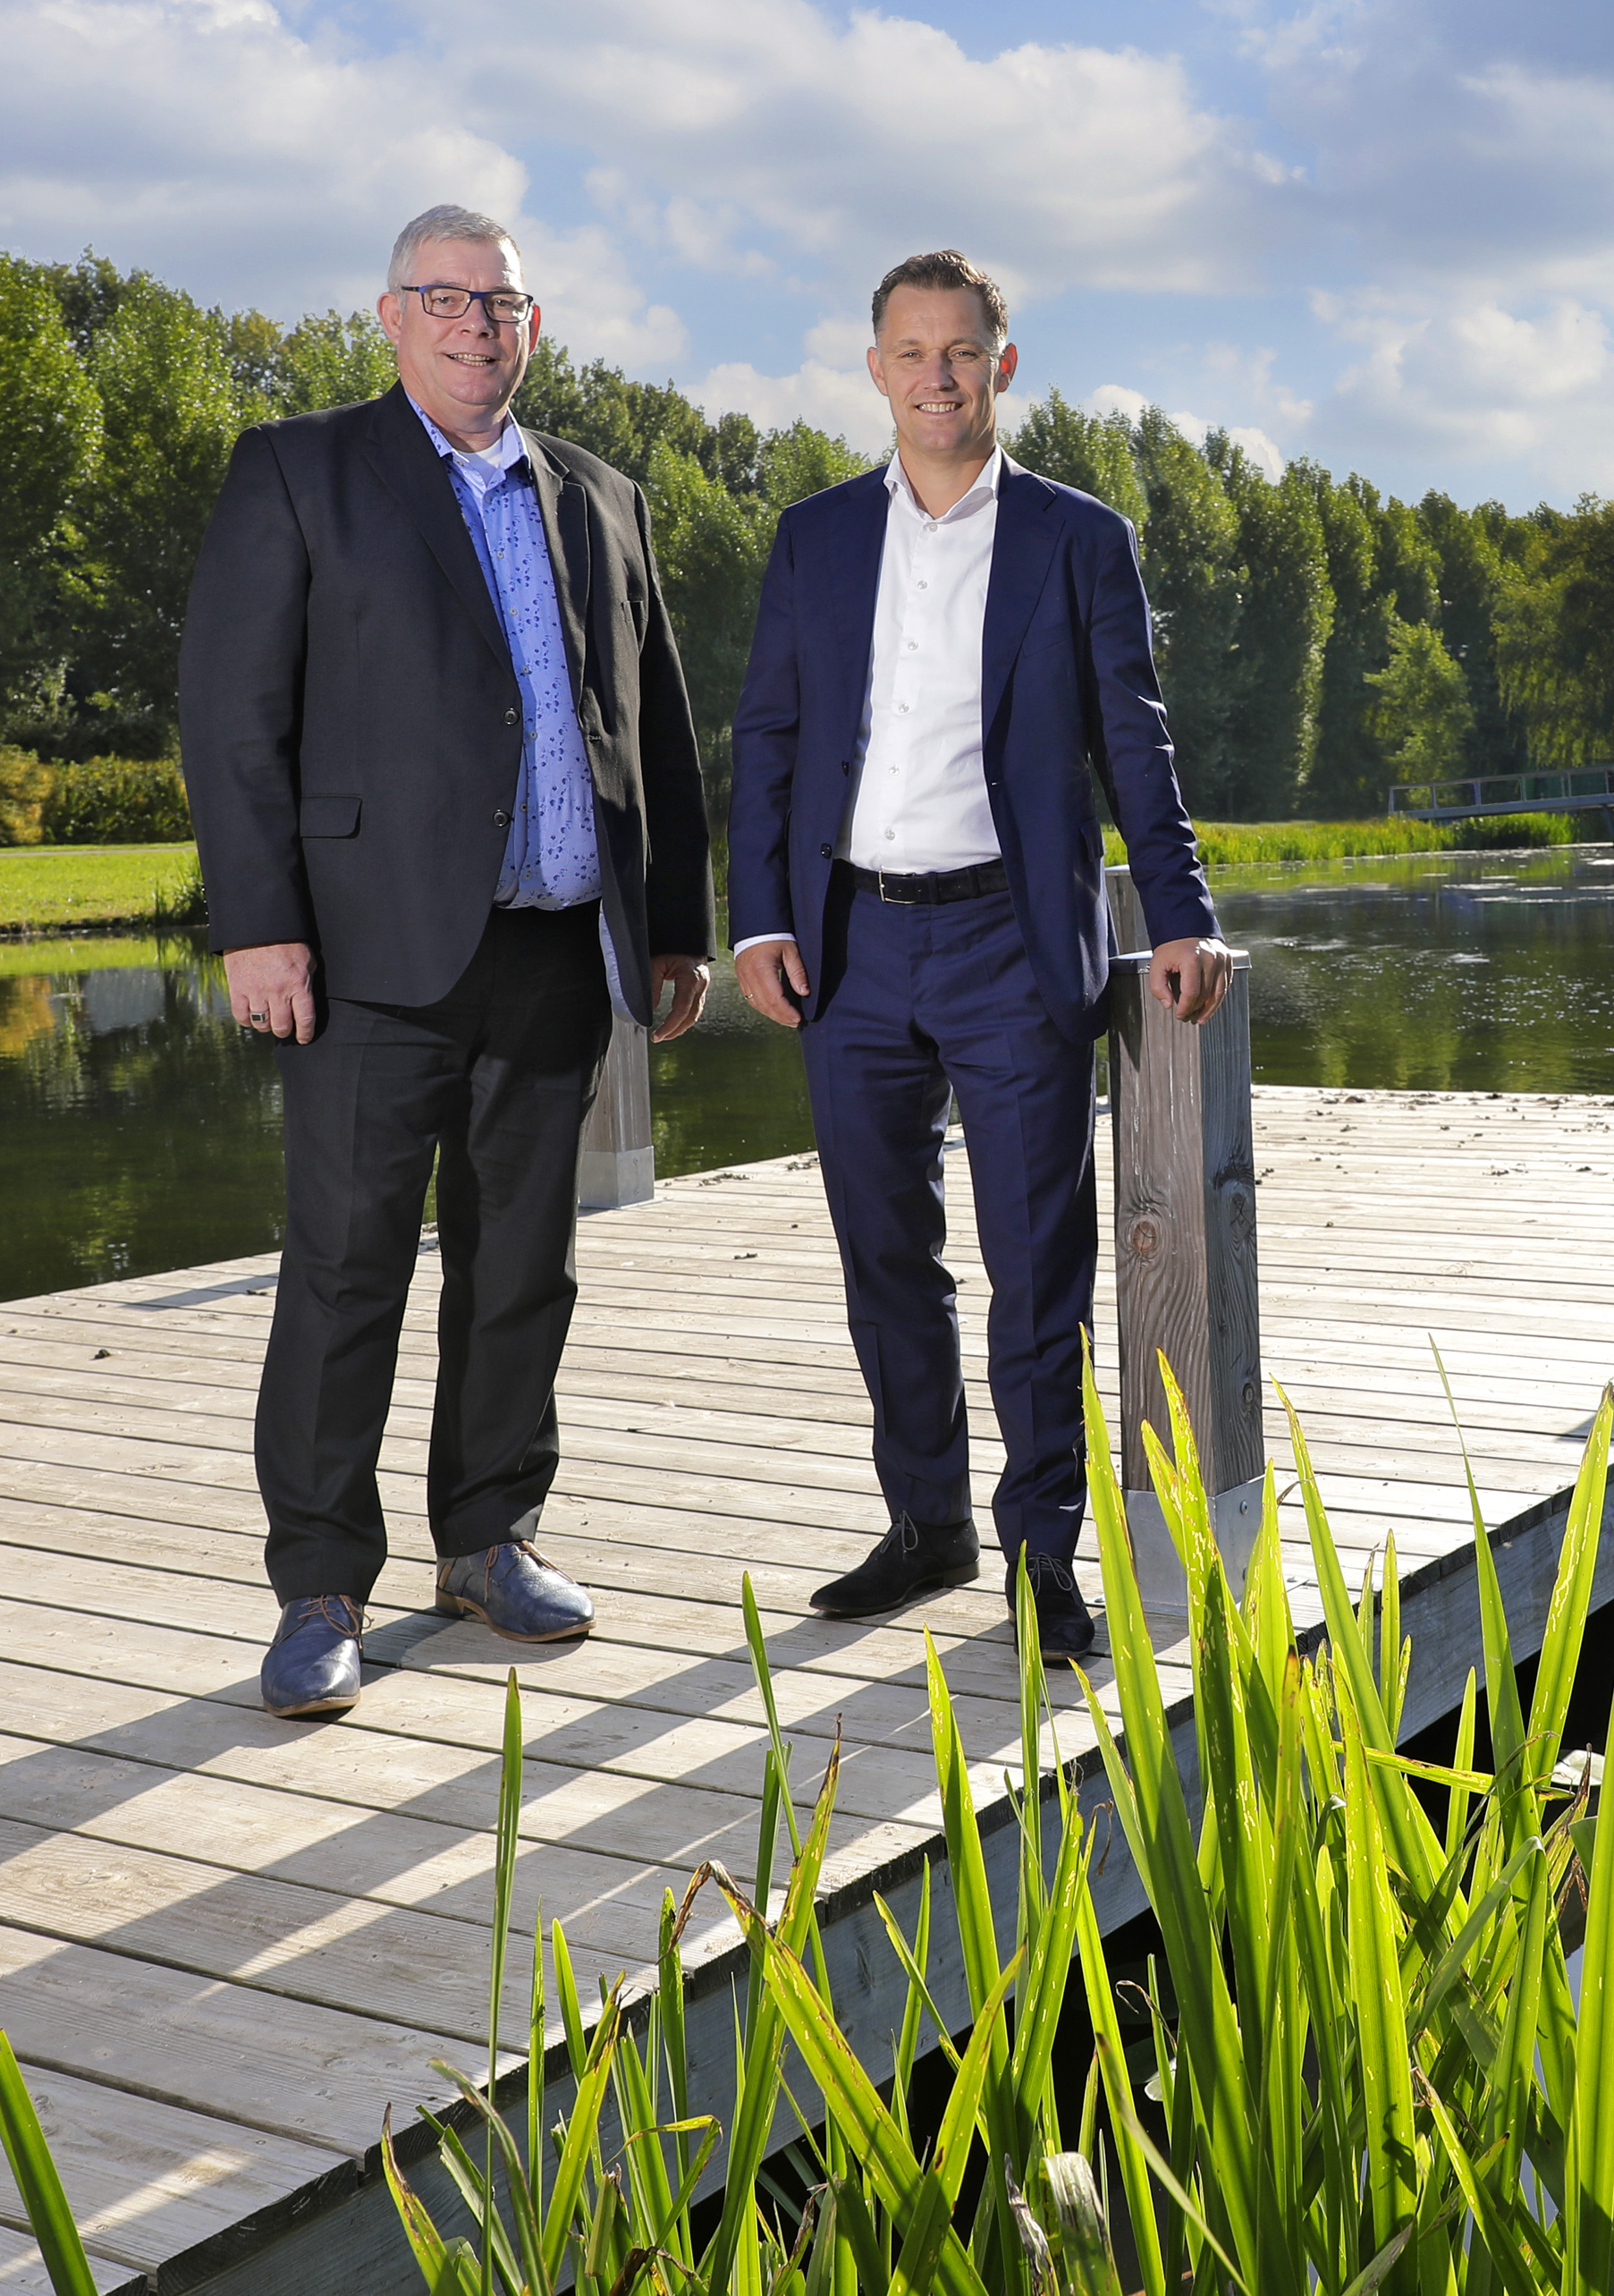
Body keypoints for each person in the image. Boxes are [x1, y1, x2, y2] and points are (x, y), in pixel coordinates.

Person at [181, 204, 714, 1721]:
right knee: (345, 1269)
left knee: (520, 1266)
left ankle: (487, 1537)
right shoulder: (301, 473)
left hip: (552, 945)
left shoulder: (600, 496)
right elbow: (231, 719)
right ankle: (318, 1586)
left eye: (504, 300)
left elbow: (651, 721)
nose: (479, 322)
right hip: (363, 958)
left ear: (533, 325)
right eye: (448, 297)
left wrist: (669, 918)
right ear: (391, 316)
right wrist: (257, 922)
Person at [728, 249, 1229, 1658]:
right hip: (848, 948)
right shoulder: (815, 540)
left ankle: (1039, 1555)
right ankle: (924, 1523)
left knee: (1036, 1268)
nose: (937, 374)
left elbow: (1135, 739)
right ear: (875, 366)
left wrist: (1178, 911)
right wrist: (758, 916)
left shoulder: (1079, 539)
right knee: (883, 1254)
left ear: (1001, 365)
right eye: (911, 349)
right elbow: (767, 738)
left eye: (963, 350)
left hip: (1014, 944)